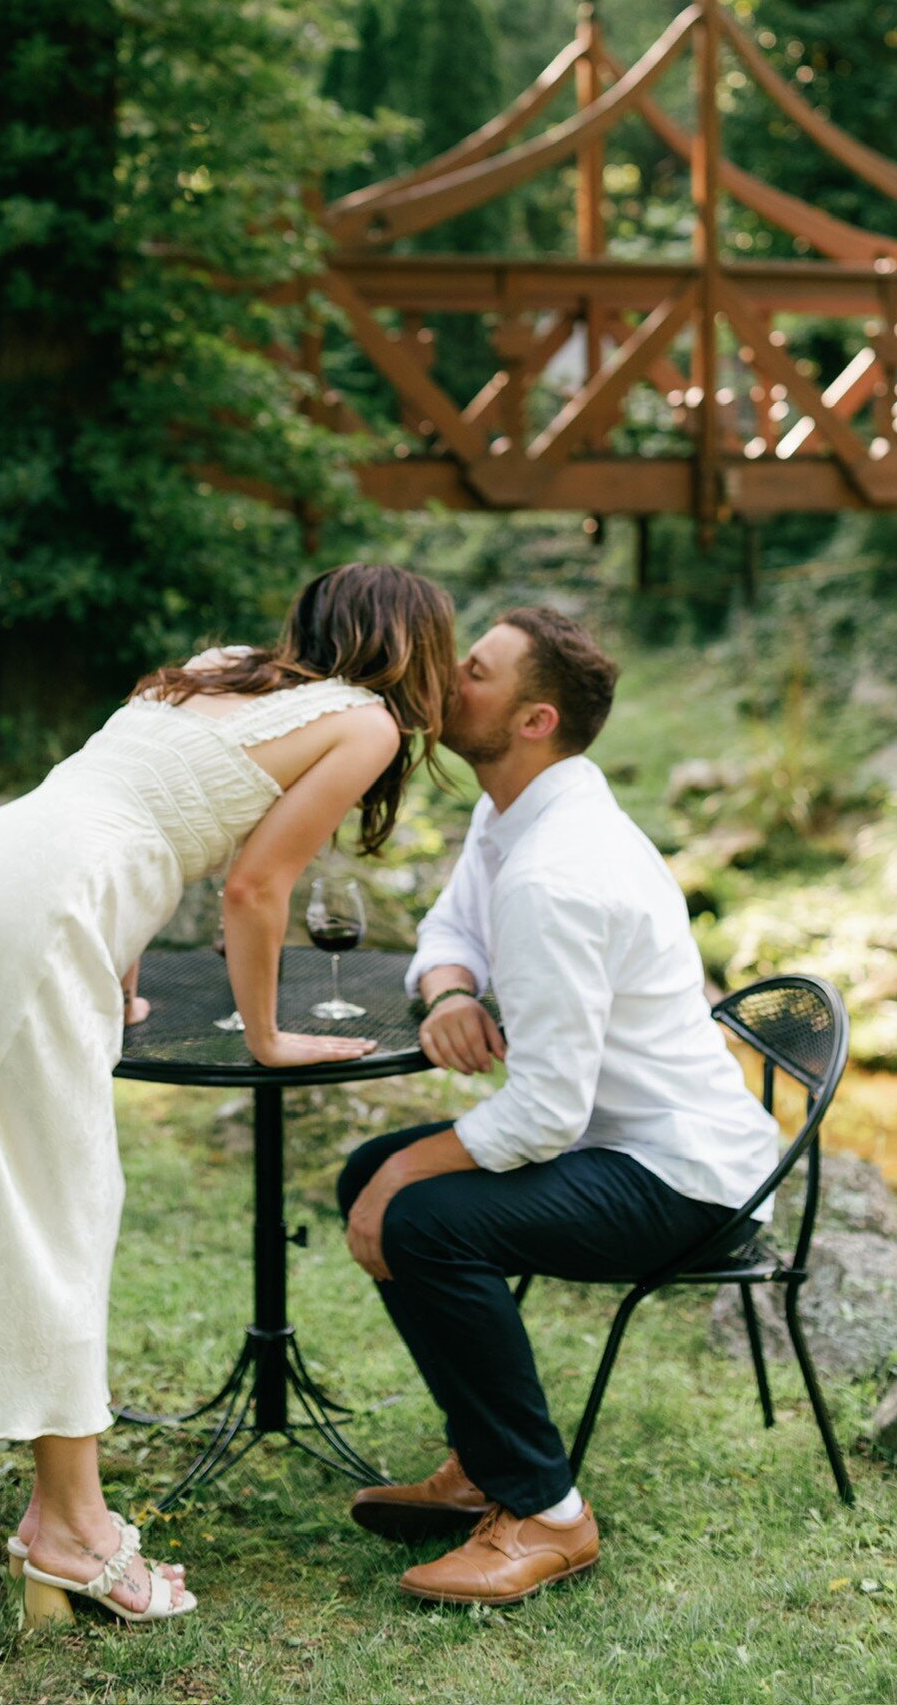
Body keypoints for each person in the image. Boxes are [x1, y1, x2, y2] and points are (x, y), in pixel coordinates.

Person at [0, 563, 455, 1625]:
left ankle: (59, 1521)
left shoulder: (216, 669)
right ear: (414, 652)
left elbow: (128, 807)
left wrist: (118, 976)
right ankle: (74, 1535)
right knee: (61, 1205)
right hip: (41, 905)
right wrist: (266, 1037)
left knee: (33, 1188)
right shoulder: (362, 722)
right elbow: (253, 883)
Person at [337, 606, 779, 1607]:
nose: (446, 676)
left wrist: (409, 1174)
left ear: (533, 718)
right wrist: (450, 986)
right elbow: (452, 922)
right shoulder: (516, 812)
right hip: (613, 1141)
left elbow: (541, 1113)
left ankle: (547, 1510)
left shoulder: (557, 868)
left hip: (683, 1175)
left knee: (413, 1206)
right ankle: (487, 1462)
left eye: (476, 671)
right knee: (367, 1173)